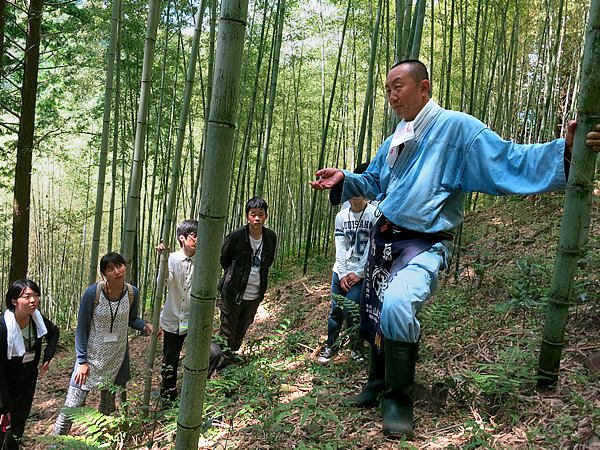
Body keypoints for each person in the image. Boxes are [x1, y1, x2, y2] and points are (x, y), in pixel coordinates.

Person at [310, 59, 600, 440]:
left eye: (398, 86)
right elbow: (376, 180)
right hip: (383, 238)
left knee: (397, 303)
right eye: (387, 90)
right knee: (375, 309)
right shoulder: (399, 134)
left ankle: (399, 398)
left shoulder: (458, 129)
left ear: (424, 87)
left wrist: (565, 150)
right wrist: (345, 177)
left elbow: (508, 159)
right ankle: (377, 381)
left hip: (423, 242)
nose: (392, 96)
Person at [53, 252, 153, 436]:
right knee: (73, 404)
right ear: (104, 273)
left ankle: (98, 440)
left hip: (116, 357)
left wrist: (146, 325)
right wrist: (82, 361)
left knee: (107, 405)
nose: (117, 271)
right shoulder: (93, 293)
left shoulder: (132, 292)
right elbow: (81, 329)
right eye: (110, 269)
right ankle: (55, 442)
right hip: (91, 357)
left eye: (119, 266)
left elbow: (132, 320)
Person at [209, 197, 277, 376]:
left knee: (242, 329)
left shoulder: (270, 237)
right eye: (253, 214)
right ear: (247, 216)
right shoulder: (236, 236)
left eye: (260, 215)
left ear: (266, 216)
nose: (257, 218)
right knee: (227, 330)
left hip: (255, 293)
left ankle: (228, 358)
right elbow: (224, 259)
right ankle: (221, 367)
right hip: (233, 293)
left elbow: (268, 262)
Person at [318, 163, 378, 364]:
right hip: (341, 272)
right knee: (336, 311)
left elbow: (373, 246)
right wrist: (342, 273)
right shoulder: (341, 216)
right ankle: (331, 347)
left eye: (359, 189)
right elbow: (340, 246)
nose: (355, 194)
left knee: (352, 309)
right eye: (350, 190)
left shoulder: (375, 215)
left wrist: (360, 273)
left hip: (361, 273)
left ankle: (356, 348)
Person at [0, 280, 59, 449]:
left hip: (27, 382)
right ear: (14, 301)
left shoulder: (37, 319)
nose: (33, 300)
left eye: (36, 295)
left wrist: (48, 355)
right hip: (5, 386)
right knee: (2, 428)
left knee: (17, 428)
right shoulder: (3, 327)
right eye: (27, 296)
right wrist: (3, 406)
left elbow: (54, 332)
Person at [155, 219, 198, 404]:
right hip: (173, 319)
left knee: (198, 359)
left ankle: (193, 396)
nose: (197, 240)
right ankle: (167, 400)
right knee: (170, 362)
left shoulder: (204, 260)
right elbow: (163, 282)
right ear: (182, 238)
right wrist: (163, 260)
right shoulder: (172, 258)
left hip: (194, 320)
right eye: (194, 236)